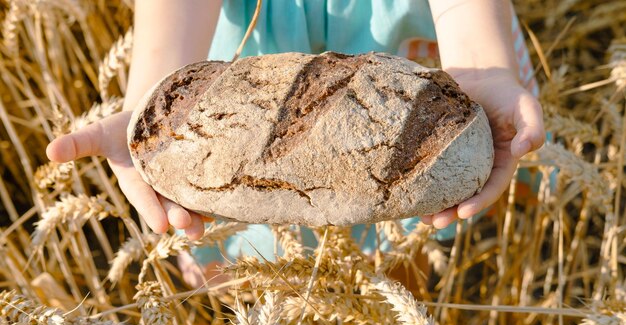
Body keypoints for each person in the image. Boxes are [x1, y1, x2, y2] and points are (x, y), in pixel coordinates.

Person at [46, 0, 545, 287]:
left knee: (407, 234)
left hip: (419, 47)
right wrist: (155, 97)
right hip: (247, 91)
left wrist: (482, 63)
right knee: (237, 244)